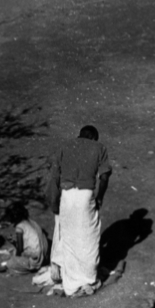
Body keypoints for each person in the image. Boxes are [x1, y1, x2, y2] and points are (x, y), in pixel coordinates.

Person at [49, 125, 112, 297]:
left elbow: (54, 176)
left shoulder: (65, 147)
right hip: (85, 194)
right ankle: (88, 279)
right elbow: (104, 176)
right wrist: (100, 197)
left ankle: (71, 283)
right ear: (93, 137)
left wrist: (54, 201)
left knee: (69, 237)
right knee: (89, 236)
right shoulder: (99, 148)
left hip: (66, 195)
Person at [0, 203, 48, 275]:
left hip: (36, 261)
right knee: (13, 251)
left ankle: (25, 268)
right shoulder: (32, 222)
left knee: (8, 263)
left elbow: (20, 249)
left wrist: (16, 258)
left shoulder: (19, 227)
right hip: (45, 255)